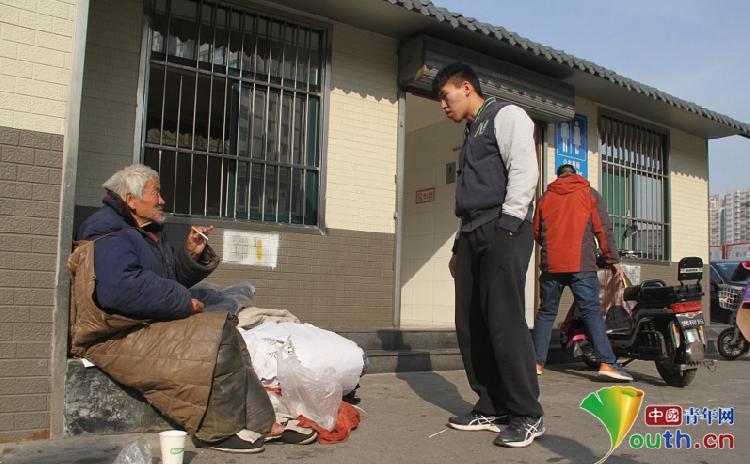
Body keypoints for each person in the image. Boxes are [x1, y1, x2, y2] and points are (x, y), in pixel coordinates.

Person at [69, 164, 315, 454]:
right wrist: (182, 301)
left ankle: (263, 423)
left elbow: (166, 278)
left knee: (226, 328)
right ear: (130, 199)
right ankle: (219, 431)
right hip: (113, 335)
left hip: (143, 323)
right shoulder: (107, 230)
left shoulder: (144, 232)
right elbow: (120, 288)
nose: (162, 200)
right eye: (155, 193)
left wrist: (189, 254)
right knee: (213, 335)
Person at [434, 63, 544, 448]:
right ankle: (491, 404)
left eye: (445, 97)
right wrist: (457, 246)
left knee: (503, 320)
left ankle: (527, 414)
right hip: (471, 232)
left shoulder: (506, 115)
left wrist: (508, 225)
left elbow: (524, 171)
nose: (443, 106)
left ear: (466, 88)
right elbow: (470, 198)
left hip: (502, 226)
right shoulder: (471, 131)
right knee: (471, 323)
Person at [531, 164, 633, 381]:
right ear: (576, 174)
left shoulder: (545, 198)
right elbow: (603, 230)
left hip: (552, 266)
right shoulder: (589, 194)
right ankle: (607, 363)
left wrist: (553, 248)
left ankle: (536, 363)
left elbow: (537, 232)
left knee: (546, 313)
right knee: (591, 313)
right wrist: (613, 260)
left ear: (558, 176)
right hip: (582, 265)